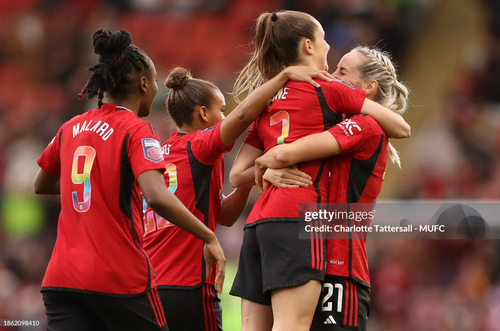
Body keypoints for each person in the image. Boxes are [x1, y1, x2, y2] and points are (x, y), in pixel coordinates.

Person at [228, 11, 410, 331]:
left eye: (343, 70)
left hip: (336, 262)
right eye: (334, 65)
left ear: (366, 89)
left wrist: (269, 162)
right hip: (308, 239)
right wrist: (269, 168)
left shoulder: (362, 125)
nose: (333, 73)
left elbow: (258, 160)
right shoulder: (325, 103)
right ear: (309, 47)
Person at [33, 29, 225, 331]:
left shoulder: (71, 126)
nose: (157, 90)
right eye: (156, 83)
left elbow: (40, 184)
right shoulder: (135, 129)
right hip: (117, 276)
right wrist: (209, 236)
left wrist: (99, 181)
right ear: (144, 83)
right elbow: (157, 196)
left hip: (61, 279)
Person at [143, 65, 333, 331]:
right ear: (203, 113)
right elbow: (244, 115)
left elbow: (224, 215)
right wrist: (284, 76)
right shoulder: (199, 146)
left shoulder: (158, 158)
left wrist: (252, 177)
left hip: (150, 289)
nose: (225, 115)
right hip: (188, 282)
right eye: (221, 109)